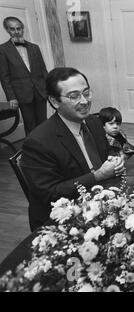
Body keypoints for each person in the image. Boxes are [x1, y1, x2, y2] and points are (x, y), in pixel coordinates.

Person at [20, 67, 125, 231]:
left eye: (86, 93)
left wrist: (114, 160)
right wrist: (97, 176)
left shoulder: (93, 123)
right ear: (54, 102)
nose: (84, 101)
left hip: (99, 202)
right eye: (74, 96)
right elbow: (51, 193)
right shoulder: (38, 142)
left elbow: (105, 155)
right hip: (62, 220)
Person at [0, 16, 48, 135]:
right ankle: (33, 151)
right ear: (7, 30)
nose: (16, 32)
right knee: (30, 124)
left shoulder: (34, 48)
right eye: (12, 29)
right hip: (22, 94)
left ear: (23, 29)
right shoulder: (3, 50)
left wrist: (50, 89)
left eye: (19, 28)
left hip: (40, 91)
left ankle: (47, 150)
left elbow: (43, 71)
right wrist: (11, 97)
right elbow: (4, 77)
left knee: (44, 123)